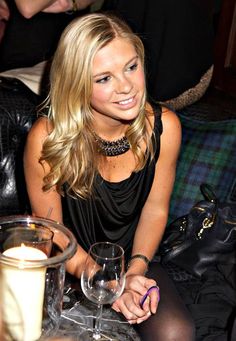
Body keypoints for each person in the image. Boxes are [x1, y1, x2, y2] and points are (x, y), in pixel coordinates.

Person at [24, 12, 195, 340]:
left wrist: (134, 272)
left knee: (175, 333)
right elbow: (54, 233)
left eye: (131, 67)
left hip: (136, 262)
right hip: (73, 269)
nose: (127, 86)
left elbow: (156, 210)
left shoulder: (163, 127)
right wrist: (102, 278)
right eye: (104, 78)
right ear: (75, 82)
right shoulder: (47, 138)